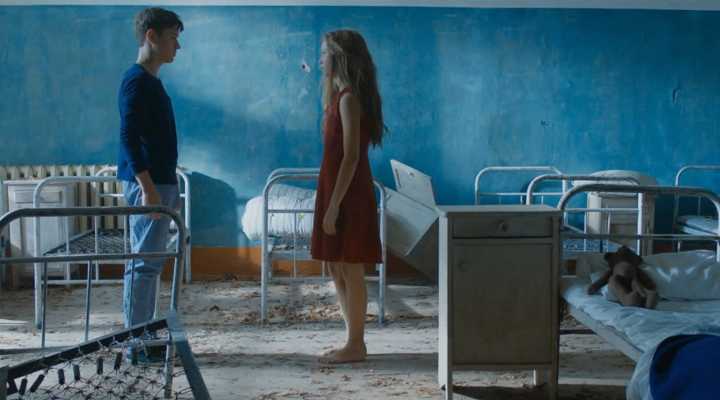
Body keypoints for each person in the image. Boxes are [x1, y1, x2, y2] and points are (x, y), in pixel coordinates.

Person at [311, 29, 386, 364]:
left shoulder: (349, 99)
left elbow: (352, 157)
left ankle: (356, 344)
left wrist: (334, 206)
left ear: (339, 57)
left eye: (324, 54)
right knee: (336, 267)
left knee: (351, 268)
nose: (320, 60)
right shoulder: (338, 97)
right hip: (336, 190)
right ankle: (352, 341)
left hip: (348, 195)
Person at [117, 7, 183, 329]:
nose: (177, 46)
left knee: (149, 265)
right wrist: (148, 188)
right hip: (150, 184)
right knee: (143, 265)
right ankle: (135, 340)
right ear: (151, 36)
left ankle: (140, 334)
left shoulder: (150, 81)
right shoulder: (136, 81)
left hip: (159, 182)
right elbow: (128, 137)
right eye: (172, 38)